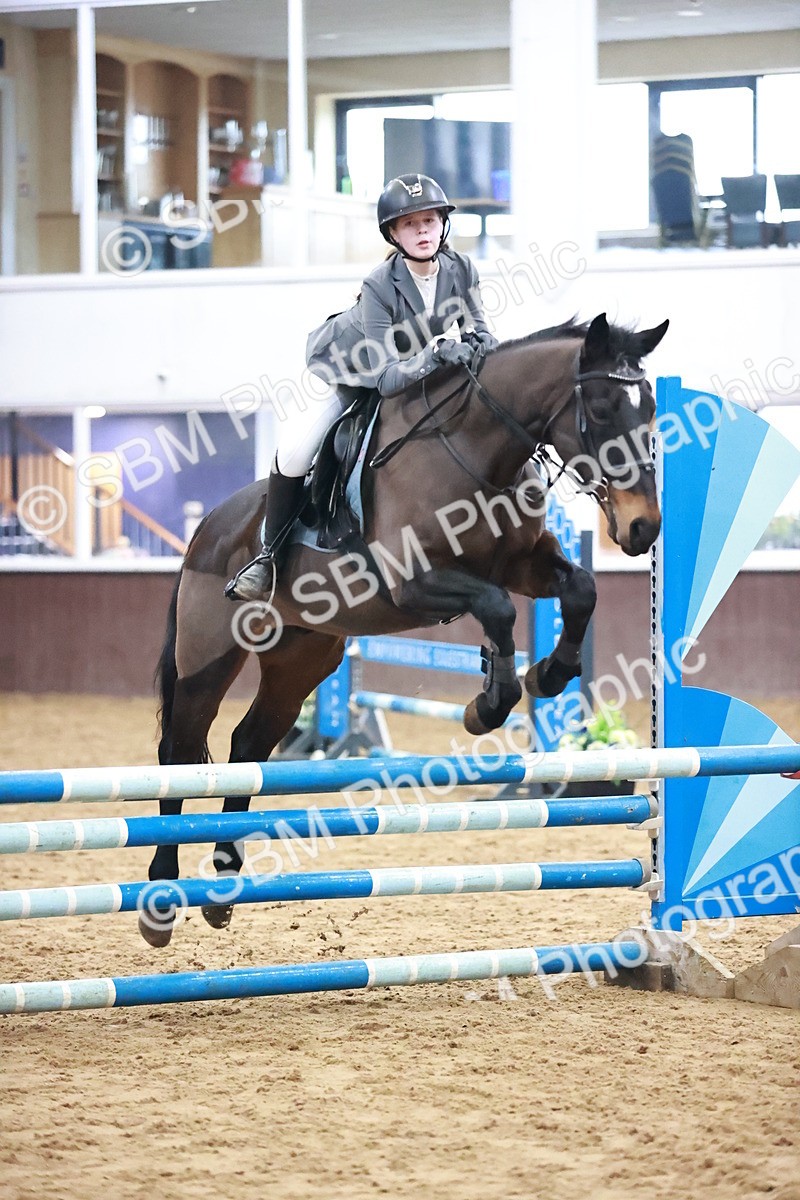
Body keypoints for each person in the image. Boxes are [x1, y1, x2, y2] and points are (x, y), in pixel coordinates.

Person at [226, 173, 498, 602]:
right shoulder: (378, 284)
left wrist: (481, 350)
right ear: (393, 232)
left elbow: (483, 333)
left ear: (444, 225)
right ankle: (269, 558)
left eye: (430, 220)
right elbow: (386, 378)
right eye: (410, 224)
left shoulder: (462, 269)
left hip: (412, 369)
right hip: (349, 371)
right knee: (297, 450)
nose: (422, 230)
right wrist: (436, 354)